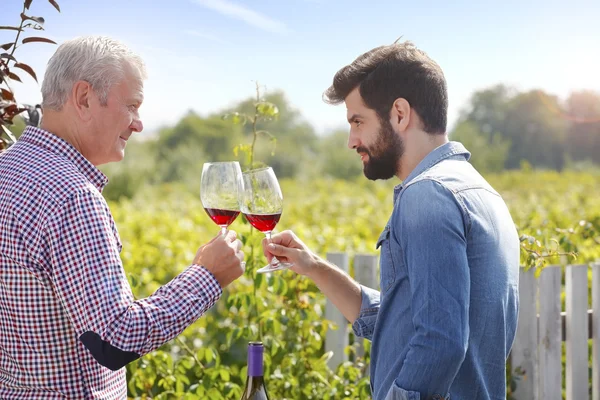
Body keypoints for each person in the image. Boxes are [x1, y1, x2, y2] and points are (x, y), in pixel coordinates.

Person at [263, 41, 520, 400]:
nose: (352, 141)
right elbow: (411, 319)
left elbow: (440, 341)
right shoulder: (481, 192)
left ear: (399, 113)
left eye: (357, 121)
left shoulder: (427, 195)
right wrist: (314, 267)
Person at [0, 35, 245, 399]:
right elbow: (115, 337)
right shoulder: (72, 197)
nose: (138, 124)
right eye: (132, 106)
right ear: (84, 98)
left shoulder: (8, 169)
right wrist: (207, 277)